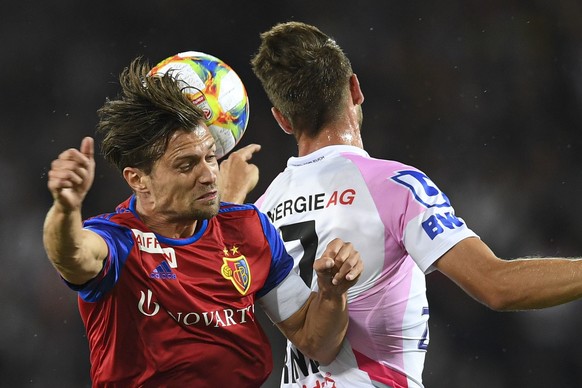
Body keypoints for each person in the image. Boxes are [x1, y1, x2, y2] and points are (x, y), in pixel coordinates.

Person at [220, 21, 582, 388]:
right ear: (355, 89)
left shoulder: (261, 212)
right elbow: (496, 285)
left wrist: (226, 204)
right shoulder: (394, 186)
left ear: (282, 119)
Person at [42, 57, 364, 387]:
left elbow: (317, 343)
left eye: (210, 157)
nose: (210, 174)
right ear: (138, 179)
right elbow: (71, 254)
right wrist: (66, 210)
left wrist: (331, 292)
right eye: (186, 165)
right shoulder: (119, 240)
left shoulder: (248, 228)